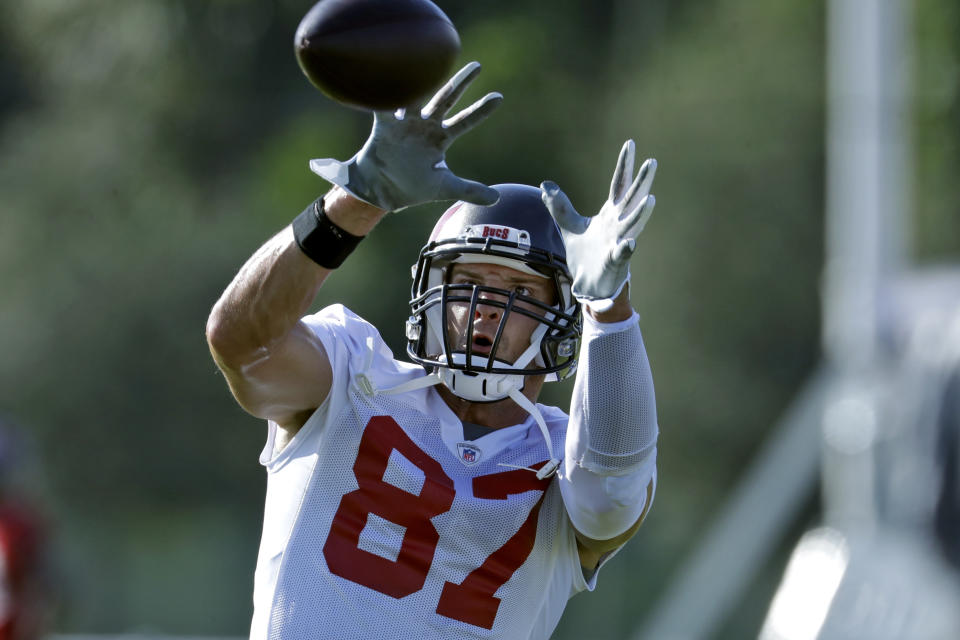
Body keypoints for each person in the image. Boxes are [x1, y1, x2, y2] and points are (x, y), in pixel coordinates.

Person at [206, 62, 660, 639]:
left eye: (519, 290)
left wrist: (610, 306)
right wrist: (354, 202)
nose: (487, 307)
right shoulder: (353, 374)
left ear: (560, 316)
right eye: (468, 284)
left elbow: (614, 490)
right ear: (433, 293)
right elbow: (242, 342)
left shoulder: (566, 458)